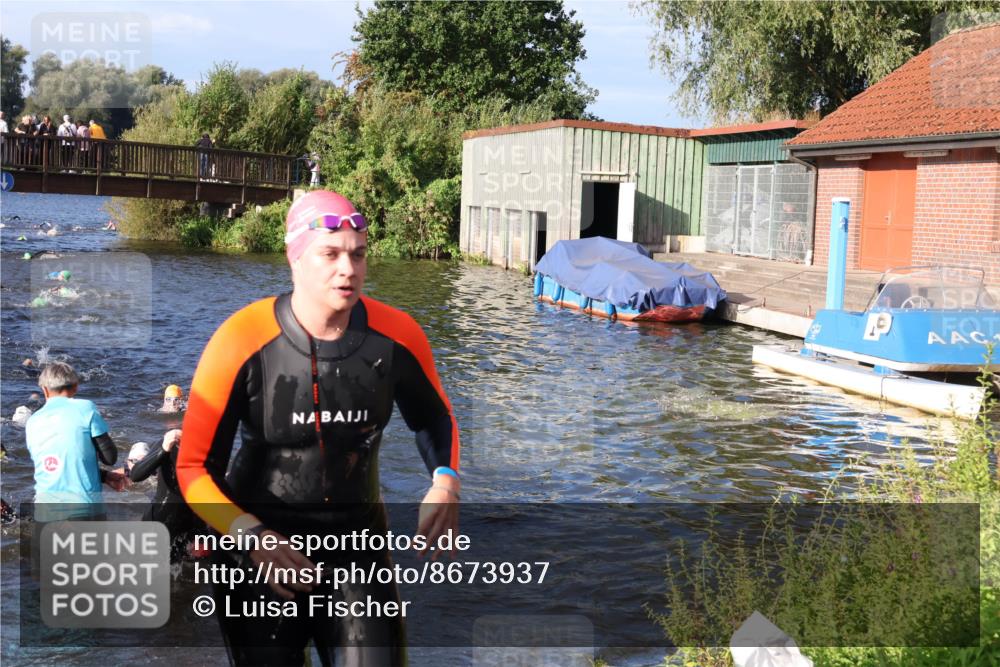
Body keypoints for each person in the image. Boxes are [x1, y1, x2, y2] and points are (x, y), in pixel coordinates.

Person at [177, 189, 461, 666]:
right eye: (330, 254)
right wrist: (249, 535)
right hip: (260, 556)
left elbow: (435, 416)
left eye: (358, 254)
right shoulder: (240, 339)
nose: (348, 269)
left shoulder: (397, 336)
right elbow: (193, 467)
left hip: (358, 553)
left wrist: (445, 481)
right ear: (295, 260)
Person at [25, 361, 117, 520]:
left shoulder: (32, 421)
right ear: (75, 387)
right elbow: (110, 458)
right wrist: (104, 475)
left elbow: (56, 465)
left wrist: (103, 476)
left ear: (44, 390)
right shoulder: (86, 408)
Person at [129, 429, 206, 561]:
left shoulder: (211, 449)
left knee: (189, 573)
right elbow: (136, 475)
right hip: (160, 519)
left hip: (191, 523)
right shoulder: (171, 442)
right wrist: (164, 448)